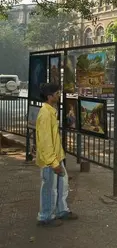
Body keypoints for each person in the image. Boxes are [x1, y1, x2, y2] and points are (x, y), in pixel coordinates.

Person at [36, 83, 78, 227]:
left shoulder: (50, 111)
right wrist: (53, 163)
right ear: (50, 96)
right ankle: (46, 217)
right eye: (56, 93)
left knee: (62, 184)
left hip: (56, 157)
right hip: (50, 160)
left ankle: (61, 210)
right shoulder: (45, 114)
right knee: (49, 188)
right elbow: (45, 141)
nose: (58, 95)